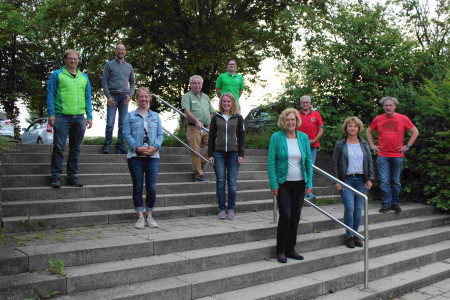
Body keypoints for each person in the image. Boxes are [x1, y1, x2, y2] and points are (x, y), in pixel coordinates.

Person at [267, 108, 313, 263]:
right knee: (285, 216)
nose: (290, 122)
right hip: (283, 183)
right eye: (288, 120)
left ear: (297, 121)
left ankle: (290, 249)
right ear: (283, 121)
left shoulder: (304, 138)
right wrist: (274, 183)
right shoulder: (276, 137)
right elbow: (271, 163)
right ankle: (280, 250)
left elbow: (308, 162)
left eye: (293, 119)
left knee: (295, 217)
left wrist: (309, 182)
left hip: (300, 182)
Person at [47, 49, 93, 188]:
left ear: (78, 60)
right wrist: (51, 113)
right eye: (71, 58)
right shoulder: (57, 74)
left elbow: (87, 98)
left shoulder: (84, 77)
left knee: (76, 148)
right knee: (59, 147)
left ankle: (72, 176)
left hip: (79, 117)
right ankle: (56, 176)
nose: (73, 61)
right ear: (65, 59)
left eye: (76, 58)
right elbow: (50, 93)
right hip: (61, 116)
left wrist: (89, 116)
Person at [366, 97, 419, 213]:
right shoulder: (378, 119)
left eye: (390, 105)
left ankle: (395, 203)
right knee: (384, 181)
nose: (388, 107)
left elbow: (415, 131)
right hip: (382, 155)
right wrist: (372, 144)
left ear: (395, 106)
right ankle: (386, 204)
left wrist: (407, 146)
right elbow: (368, 131)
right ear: (383, 107)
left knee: (395, 181)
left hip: (397, 155)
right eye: (386, 105)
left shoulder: (403, 118)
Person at [123, 87, 163, 229]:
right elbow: (126, 133)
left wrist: (155, 147)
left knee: (151, 187)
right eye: (141, 97)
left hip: (153, 156)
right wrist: (136, 147)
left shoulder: (155, 116)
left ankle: (149, 215)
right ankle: (140, 217)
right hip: (135, 156)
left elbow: (160, 135)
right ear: (136, 98)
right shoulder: (130, 116)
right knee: (138, 186)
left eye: (146, 96)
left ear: (149, 98)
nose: (144, 99)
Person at [332, 117, 374, 248]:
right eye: (350, 126)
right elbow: (334, 163)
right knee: (349, 208)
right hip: (347, 180)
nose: (352, 128)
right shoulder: (340, 145)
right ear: (346, 128)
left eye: (355, 126)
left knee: (358, 210)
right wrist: (336, 180)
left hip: (361, 180)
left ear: (359, 128)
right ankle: (349, 235)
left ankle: (355, 234)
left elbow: (370, 162)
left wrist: (370, 178)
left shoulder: (364, 144)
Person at [208, 93, 245, 220]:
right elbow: (211, 137)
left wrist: (241, 154)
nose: (226, 104)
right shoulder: (216, 117)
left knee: (232, 183)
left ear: (233, 103)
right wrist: (210, 154)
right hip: (218, 153)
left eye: (229, 102)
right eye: (224, 101)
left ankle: (231, 208)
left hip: (234, 153)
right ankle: (221, 209)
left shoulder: (238, 118)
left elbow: (241, 136)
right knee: (220, 181)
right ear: (221, 103)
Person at [102, 44, 136, 154]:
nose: (120, 51)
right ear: (115, 51)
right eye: (119, 49)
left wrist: (130, 95)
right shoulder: (109, 64)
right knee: (110, 123)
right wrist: (108, 96)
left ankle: (120, 147)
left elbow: (133, 82)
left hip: (124, 98)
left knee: (122, 123)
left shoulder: (129, 66)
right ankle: (107, 146)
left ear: (125, 52)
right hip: (113, 97)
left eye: (123, 50)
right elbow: (104, 82)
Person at [181, 75, 215, 182]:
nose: (197, 85)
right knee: (195, 151)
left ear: (202, 84)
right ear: (191, 85)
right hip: (193, 127)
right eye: (194, 83)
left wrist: (211, 123)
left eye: (198, 83)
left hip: (207, 128)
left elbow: (211, 112)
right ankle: (199, 174)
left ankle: (200, 163)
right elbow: (186, 111)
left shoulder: (206, 97)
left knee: (213, 147)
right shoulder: (187, 96)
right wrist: (196, 121)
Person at [296, 95, 324, 199]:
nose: (305, 104)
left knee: (310, 167)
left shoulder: (316, 114)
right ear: (300, 104)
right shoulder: (297, 114)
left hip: (313, 145)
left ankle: (308, 191)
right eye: (303, 102)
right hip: (299, 145)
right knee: (299, 167)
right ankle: (299, 191)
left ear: (310, 103)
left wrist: (315, 140)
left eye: (307, 102)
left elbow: (321, 129)